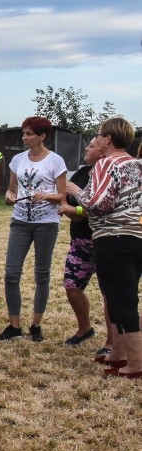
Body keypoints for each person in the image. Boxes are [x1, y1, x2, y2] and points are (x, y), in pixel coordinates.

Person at [72, 117, 142, 379]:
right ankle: (120, 354)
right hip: (137, 235)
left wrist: (77, 192)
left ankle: (135, 364)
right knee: (124, 296)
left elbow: (98, 203)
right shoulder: (136, 164)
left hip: (113, 238)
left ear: (108, 139)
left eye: (99, 135)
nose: (98, 139)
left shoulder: (106, 164)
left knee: (120, 300)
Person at [0, 117, 67, 342]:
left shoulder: (56, 161)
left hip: (46, 223)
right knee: (11, 274)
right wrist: (9, 196)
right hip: (20, 222)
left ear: (42, 136)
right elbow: (11, 189)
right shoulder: (17, 159)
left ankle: (36, 325)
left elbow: (62, 196)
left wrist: (46, 195)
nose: (24, 138)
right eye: (23, 133)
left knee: (42, 275)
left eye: (29, 134)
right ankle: (14, 326)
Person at [57, 138, 113, 351]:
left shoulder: (106, 176)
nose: (86, 149)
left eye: (91, 146)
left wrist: (75, 210)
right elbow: (65, 197)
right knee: (72, 287)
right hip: (79, 242)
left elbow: (102, 208)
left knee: (109, 293)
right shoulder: (81, 174)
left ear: (102, 151)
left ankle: (111, 342)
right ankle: (85, 329)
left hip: (103, 240)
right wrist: (64, 205)